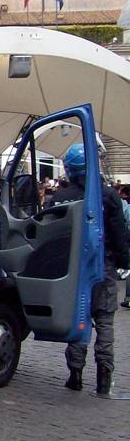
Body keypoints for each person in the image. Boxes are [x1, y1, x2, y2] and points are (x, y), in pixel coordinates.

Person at [51, 144, 129, 394]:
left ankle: (75, 373)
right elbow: (119, 235)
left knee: (79, 318)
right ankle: (104, 373)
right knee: (105, 320)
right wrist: (124, 262)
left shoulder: (59, 198)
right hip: (102, 263)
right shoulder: (107, 196)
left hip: (72, 267)